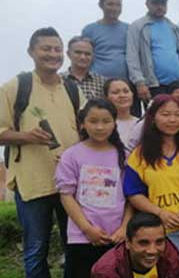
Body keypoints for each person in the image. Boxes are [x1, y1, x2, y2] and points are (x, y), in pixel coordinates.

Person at [0, 28, 79, 278]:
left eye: (57, 49)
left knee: (75, 247)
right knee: (36, 248)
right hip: (33, 181)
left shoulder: (72, 89)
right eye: (46, 48)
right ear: (31, 51)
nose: (52, 54)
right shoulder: (16, 86)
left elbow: (90, 126)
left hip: (70, 183)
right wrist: (26, 136)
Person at [123, 94, 179, 278]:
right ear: (153, 117)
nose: (172, 120)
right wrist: (160, 213)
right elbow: (133, 193)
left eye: (177, 115)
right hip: (162, 228)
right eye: (165, 114)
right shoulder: (139, 155)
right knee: (174, 273)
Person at [58, 98, 132, 278]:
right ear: (82, 124)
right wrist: (87, 229)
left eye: (106, 121)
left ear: (114, 123)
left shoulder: (124, 155)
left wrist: (124, 228)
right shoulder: (71, 155)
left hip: (116, 237)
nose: (100, 127)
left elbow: (132, 197)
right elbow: (66, 195)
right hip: (82, 237)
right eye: (93, 121)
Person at [127, 0, 179, 103]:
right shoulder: (138, 26)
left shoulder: (173, 27)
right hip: (153, 86)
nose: (159, 6)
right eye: (155, 3)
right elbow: (132, 56)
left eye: (162, 3)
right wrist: (140, 83)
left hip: (176, 86)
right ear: (147, 4)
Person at [90, 213, 179, 278]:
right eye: (143, 243)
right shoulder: (106, 271)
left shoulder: (170, 256)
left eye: (159, 242)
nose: (152, 250)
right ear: (127, 242)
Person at [83, 0, 130, 81]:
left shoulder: (129, 29)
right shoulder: (89, 30)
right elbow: (84, 57)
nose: (114, 8)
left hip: (124, 83)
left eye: (118, 5)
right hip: (97, 82)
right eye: (110, 4)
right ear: (101, 5)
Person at [104, 77, 143, 152]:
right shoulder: (103, 125)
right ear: (106, 97)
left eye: (126, 91)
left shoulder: (141, 124)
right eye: (115, 92)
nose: (122, 95)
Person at [63, 36, 106, 101]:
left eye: (87, 54)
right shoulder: (58, 80)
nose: (83, 57)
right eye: (78, 52)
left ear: (93, 56)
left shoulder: (102, 83)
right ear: (68, 54)